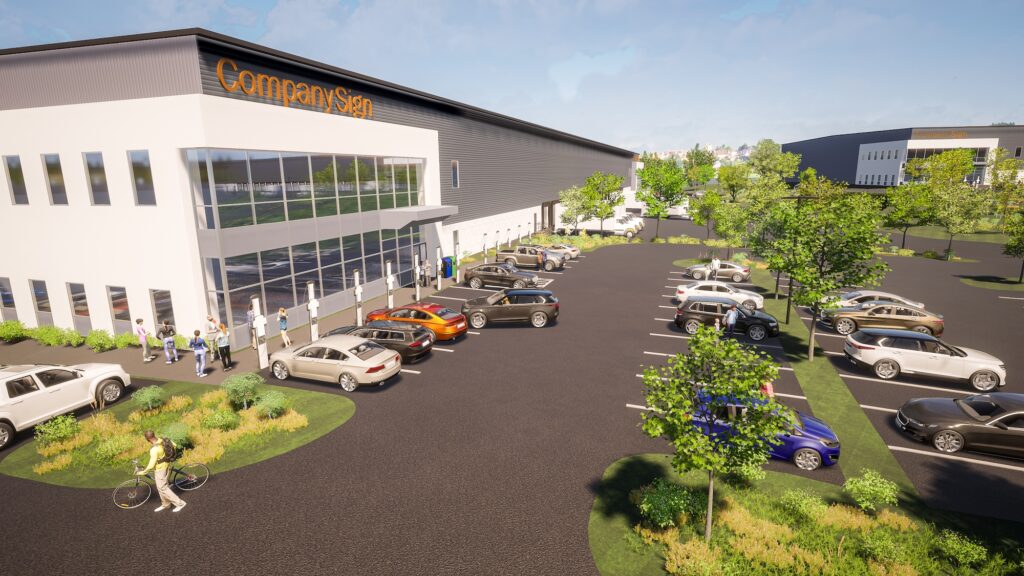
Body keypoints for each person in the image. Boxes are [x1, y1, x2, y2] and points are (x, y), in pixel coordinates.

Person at [138, 430, 186, 513]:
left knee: (163, 488)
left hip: (160, 470)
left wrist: (144, 471)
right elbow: (174, 445)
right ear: (154, 435)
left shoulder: (154, 449)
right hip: (167, 465)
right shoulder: (163, 440)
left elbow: (152, 463)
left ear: (147, 439)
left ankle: (180, 503)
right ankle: (166, 504)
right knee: (160, 488)